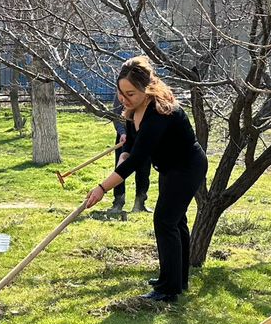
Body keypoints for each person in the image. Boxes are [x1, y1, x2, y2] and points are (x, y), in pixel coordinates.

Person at [83, 57, 207, 303]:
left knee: (164, 221)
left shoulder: (159, 112)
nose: (123, 98)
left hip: (187, 167)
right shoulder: (132, 109)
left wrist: (102, 189)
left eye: (130, 93)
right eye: (120, 92)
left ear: (146, 89)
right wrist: (124, 153)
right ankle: (176, 280)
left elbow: (138, 159)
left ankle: (168, 290)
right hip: (170, 167)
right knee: (175, 220)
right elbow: (131, 144)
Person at [108, 110, 150, 219]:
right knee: (120, 168)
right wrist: (122, 132)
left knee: (144, 171)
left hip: (143, 138)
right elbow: (116, 116)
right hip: (124, 138)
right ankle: (118, 202)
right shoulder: (121, 96)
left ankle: (140, 204)